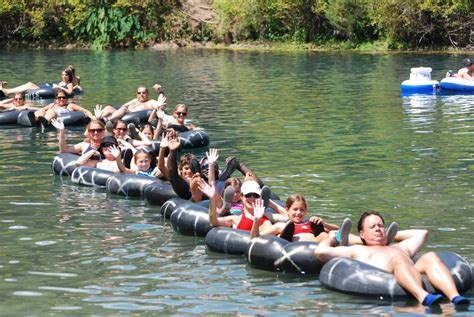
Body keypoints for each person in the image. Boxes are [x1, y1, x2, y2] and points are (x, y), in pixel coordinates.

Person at [314, 211, 470, 306]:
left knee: (430, 256)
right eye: (373, 227)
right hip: (384, 275)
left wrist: (392, 236)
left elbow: (422, 233)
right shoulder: (357, 250)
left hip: (408, 269)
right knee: (399, 260)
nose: (378, 229)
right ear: (362, 234)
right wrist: (331, 238)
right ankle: (423, 296)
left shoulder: (399, 247)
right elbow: (320, 253)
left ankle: (454, 296)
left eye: (381, 226)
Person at [198, 178, 276, 237]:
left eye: (255, 196)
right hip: (241, 246)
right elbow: (213, 222)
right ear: (242, 196)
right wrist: (213, 199)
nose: (252, 199)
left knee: (279, 226)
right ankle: (225, 208)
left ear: (259, 197)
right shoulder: (236, 219)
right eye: (248, 195)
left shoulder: (265, 221)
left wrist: (258, 219)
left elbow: (256, 242)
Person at [94, 85, 166, 122]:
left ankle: (107, 120)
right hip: (124, 114)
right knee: (109, 107)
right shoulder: (134, 100)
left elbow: (159, 103)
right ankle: (96, 119)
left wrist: (160, 92)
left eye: (144, 93)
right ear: (137, 94)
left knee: (124, 109)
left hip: (131, 115)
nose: (141, 94)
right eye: (139, 93)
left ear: (148, 94)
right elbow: (122, 106)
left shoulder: (151, 102)